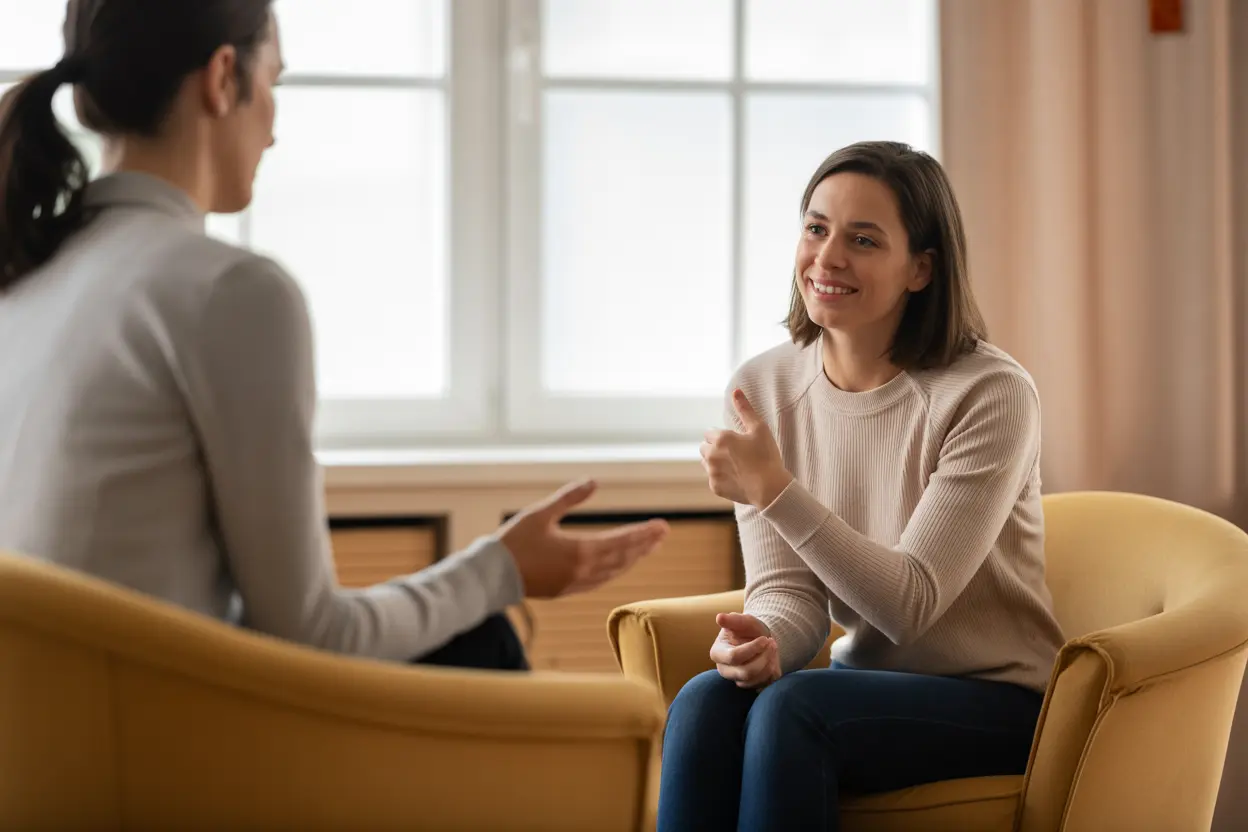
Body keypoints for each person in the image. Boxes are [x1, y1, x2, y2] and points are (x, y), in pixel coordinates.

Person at [0, 0, 668, 670]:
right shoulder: (229, 293)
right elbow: (311, 635)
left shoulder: (28, 278)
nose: (273, 132)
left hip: (44, 745)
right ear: (223, 77)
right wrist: (501, 569)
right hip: (156, 748)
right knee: (479, 642)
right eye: (275, 83)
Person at [660, 141, 1066, 830]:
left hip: (999, 700)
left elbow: (907, 605)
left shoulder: (990, 394)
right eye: (816, 228)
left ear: (921, 269)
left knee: (797, 710)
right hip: (863, 687)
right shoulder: (765, 387)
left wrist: (775, 490)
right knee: (706, 701)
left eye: (864, 239)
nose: (828, 257)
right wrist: (764, 640)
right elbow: (792, 593)